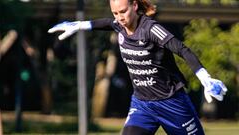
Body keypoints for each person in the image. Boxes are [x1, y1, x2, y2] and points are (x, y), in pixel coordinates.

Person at [48, 0, 227, 134]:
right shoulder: (118, 25)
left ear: (134, 6)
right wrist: (79, 25)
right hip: (142, 105)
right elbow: (105, 23)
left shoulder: (150, 29)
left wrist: (205, 78)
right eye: (115, 13)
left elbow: (182, 49)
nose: (119, 18)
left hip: (172, 102)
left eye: (123, 12)